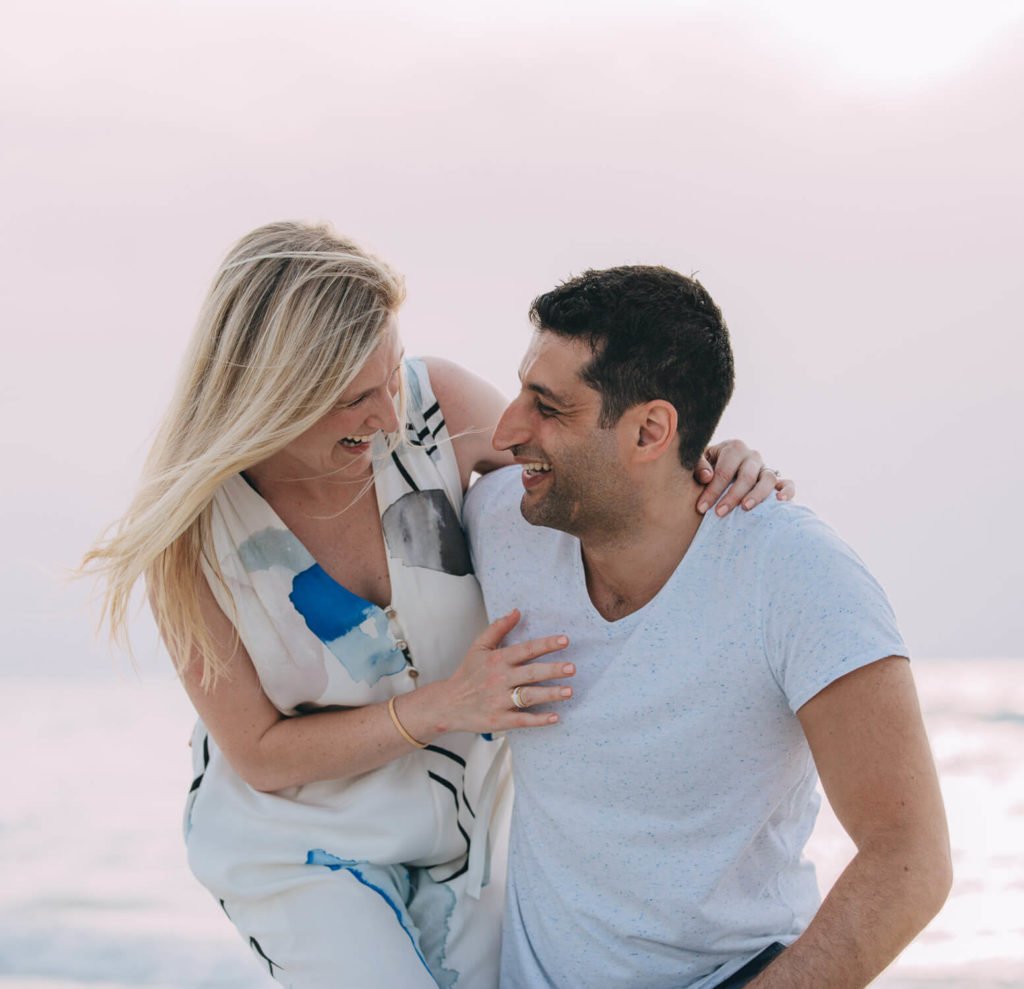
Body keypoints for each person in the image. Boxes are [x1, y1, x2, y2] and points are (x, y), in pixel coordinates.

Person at [81, 223, 792, 989]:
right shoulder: (189, 538)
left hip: (470, 828)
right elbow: (257, 752)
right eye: (356, 399)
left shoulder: (435, 409)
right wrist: (444, 705)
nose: (390, 417)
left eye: (391, 376)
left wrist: (704, 461)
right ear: (273, 397)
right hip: (303, 842)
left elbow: (594, 468)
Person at [463, 265, 952, 989]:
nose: (507, 431)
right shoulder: (501, 524)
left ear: (650, 431)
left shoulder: (797, 574)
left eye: (549, 408)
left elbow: (910, 859)